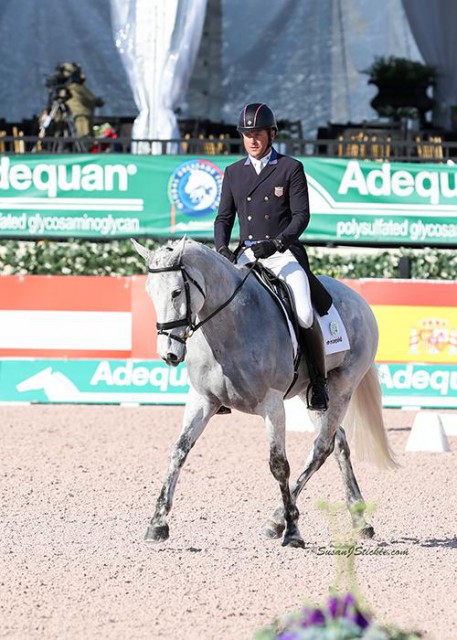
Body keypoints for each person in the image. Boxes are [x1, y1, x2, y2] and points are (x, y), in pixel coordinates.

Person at [214, 103, 332, 411]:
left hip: (282, 254)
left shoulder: (289, 168)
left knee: (305, 312)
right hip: (247, 255)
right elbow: (223, 218)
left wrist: (278, 242)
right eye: (246, 135)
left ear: (271, 134)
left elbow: (301, 216)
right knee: (218, 307)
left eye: (257, 134)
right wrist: (221, 248)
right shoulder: (233, 172)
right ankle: (221, 381)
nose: (252, 140)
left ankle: (318, 383)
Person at [59, 62, 104, 138]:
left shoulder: (73, 88)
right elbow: (96, 101)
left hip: (79, 117)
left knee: (83, 139)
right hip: (80, 117)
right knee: (84, 139)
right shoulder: (75, 88)